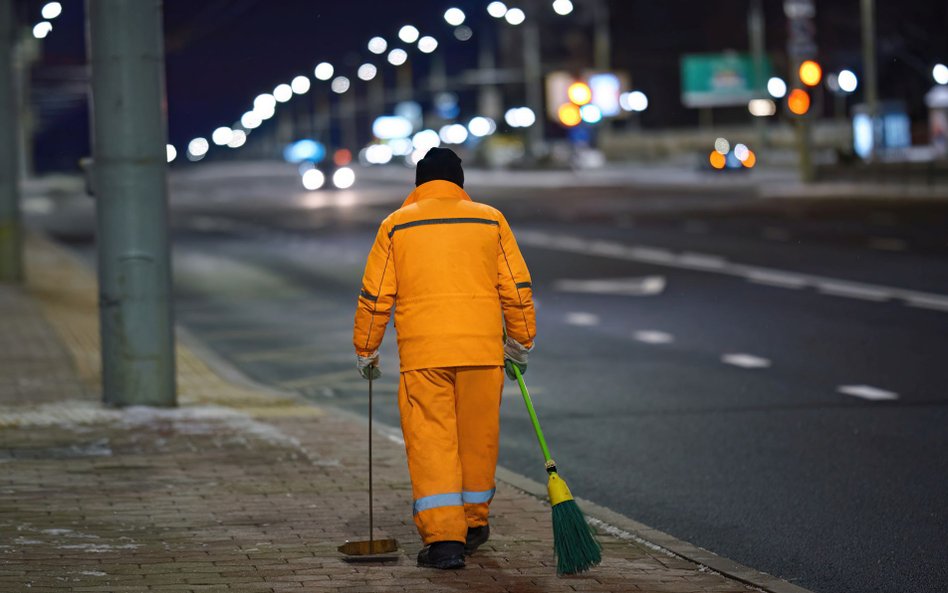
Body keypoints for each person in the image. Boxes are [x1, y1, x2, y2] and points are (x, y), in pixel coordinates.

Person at [352, 147, 537, 569]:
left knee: (432, 442)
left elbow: (376, 294)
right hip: (481, 352)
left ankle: (445, 542)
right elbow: (516, 287)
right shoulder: (490, 220)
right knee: (477, 439)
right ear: (460, 183)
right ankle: (474, 523)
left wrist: (366, 348)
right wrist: (520, 343)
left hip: (424, 354)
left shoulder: (396, 225)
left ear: (418, 184)